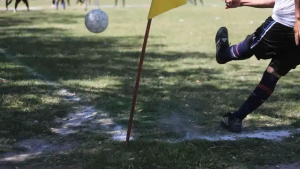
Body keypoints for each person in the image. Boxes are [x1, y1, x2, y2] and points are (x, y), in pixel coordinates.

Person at [216, 0, 300, 133]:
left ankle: (224, 54)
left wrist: (298, 18)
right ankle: (236, 118)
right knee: (273, 73)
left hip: (285, 23)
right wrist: (242, 2)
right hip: (291, 23)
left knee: (251, 47)